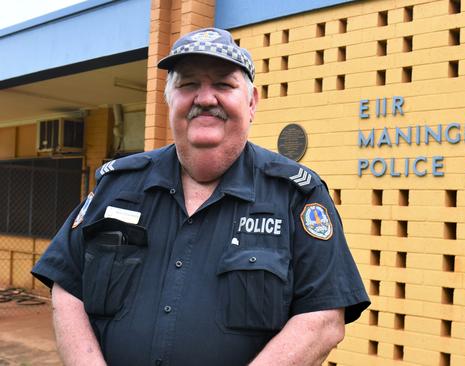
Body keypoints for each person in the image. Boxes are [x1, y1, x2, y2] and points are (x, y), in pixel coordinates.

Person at [32, 27, 370, 366]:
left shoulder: (296, 194)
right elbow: (67, 285)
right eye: (188, 84)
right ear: (169, 99)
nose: (205, 99)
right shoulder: (117, 185)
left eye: (224, 84)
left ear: (251, 102)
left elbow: (324, 318)